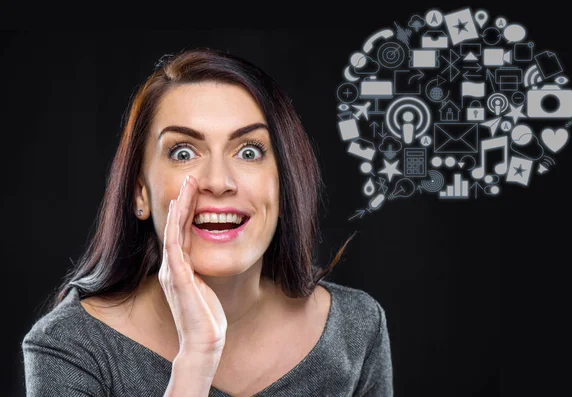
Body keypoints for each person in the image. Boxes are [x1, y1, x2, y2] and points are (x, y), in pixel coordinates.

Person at [21, 47, 393, 397]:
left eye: (249, 151)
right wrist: (196, 359)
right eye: (183, 152)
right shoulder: (69, 346)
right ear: (140, 193)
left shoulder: (357, 328)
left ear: (284, 184)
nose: (218, 181)